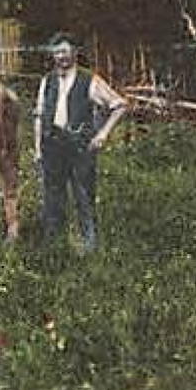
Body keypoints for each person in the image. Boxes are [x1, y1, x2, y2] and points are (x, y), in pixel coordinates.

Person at [33, 36, 127, 253]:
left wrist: (103, 134)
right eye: (57, 52)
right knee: (52, 200)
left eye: (65, 51)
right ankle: (54, 249)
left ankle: (89, 248)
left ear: (74, 52)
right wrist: (38, 148)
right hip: (52, 147)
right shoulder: (47, 81)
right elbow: (39, 115)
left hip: (79, 147)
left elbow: (120, 105)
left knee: (83, 197)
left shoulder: (89, 80)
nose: (61, 57)